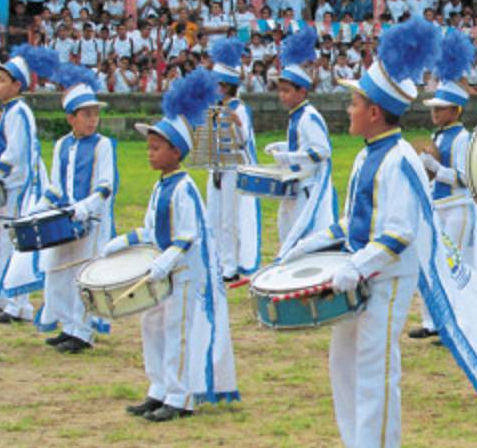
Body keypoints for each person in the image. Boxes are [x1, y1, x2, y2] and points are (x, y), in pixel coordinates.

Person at [279, 18, 439, 448]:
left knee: (376, 369)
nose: (347, 109)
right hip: (357, 276)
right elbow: (353, 225)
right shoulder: (370, 153)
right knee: (343, 365)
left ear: (373, 112)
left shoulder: (399, 159)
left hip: (384, 280)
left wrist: (355, 267)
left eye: (353, 102)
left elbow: (398, 233)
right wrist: (309, 244)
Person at [104, 68, 240, 422]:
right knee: (152, 325)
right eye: (148, 147)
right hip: (161, 271)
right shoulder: (160, 186)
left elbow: (188, 234)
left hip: (182, 274)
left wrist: (167, 261)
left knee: (178, 331)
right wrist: (122, 242)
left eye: (156, 148)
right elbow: (152, 229)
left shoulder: (184, 188)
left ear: (176, 152)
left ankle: (180, 397)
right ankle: (158, 387)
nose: (149, 154)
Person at [411, 29, 477, 339]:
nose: (434, 112)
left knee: (452, 264)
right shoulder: (439, 135)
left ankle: (457, 322)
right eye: (433, 107)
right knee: (433, 262)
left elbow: (463, 178)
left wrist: (435, 167)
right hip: (438, 206)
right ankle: (433, 321)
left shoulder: (461, 138)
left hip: (457, 208)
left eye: (440, 108)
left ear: (455, 110)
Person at [0, 46, 56, 324]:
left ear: (17, 85)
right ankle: (3, 295)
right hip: (12, 186)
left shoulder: (18, 112)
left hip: (21, 188)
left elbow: (13, 156)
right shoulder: (11, 111)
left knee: (11, 243)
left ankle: (19, 305)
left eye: (3, 80)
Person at [32, 65, 117, 353]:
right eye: (86, 114)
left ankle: (83, 331)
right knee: (57, 269)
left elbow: (105, 186)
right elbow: (56, 185)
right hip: (65, 219)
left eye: (95, 114)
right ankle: (67, 323)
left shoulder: (103, 145)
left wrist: (84, 208)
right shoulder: (61, 145)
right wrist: (39, 208)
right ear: (71, 118)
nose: (93, 120)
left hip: (91, 219)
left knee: (84, 273)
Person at [264, 27, 338, 258]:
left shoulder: (309, 116)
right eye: (280, 91)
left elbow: (322, 151)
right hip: (298, 182)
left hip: (310, 185)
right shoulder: (297, 115)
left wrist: (289, 157)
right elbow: (301, 146)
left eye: (287, 91)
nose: (282, 96)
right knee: (287, 228)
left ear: (302, 91)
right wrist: (282, 146)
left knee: (307, 235)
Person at [206, 38, 261, 281]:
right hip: (217, 167)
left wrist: (236, 124)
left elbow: (243, 139)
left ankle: (231, 263)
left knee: (230, 217)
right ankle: (218, 258)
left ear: (226, 86)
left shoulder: (239, 108)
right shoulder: (215, 108)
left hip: (234, 168)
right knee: (215, 215)